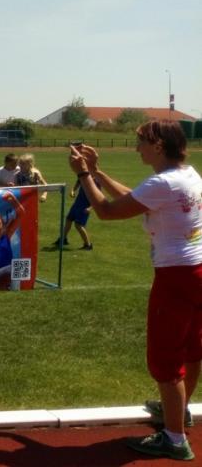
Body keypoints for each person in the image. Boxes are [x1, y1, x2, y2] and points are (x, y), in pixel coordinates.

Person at [69, 120, 202, 461]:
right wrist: (97, 173)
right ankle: (179, 411)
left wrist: (83, 175)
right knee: (190, 349)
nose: (136, 147)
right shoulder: (187, 175)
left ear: (158, 146)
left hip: (175, 276)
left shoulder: (163, 182)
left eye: (141, 141)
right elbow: (139, 198)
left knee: (166, 358)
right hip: (196, 271)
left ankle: (174, 439)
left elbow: (106, 211)